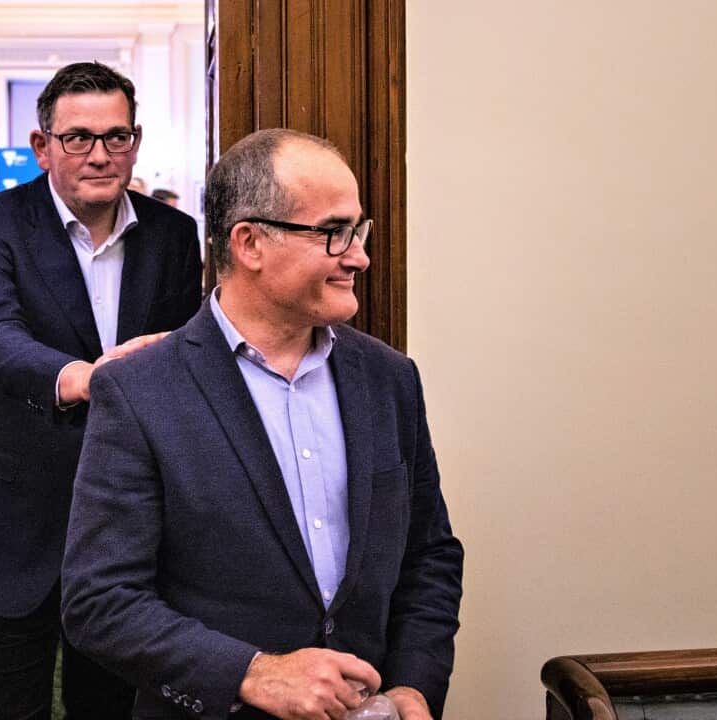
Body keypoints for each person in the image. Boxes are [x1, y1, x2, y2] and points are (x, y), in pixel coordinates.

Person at [61, 129, 464, 720]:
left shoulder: (389, 378)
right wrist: (253, 674)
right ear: (249, 242)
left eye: (358, 231)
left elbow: (429, 554)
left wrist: (413, 686)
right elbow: (99, 601)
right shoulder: (141, 390)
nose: (359, 256)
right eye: (334, 233)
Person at [0, 61, 203, 719]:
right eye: (77, 138)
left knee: (111, 709)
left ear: (135, 141)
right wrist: (86, 378)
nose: (99, 155)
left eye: (116, 137)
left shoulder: (173, 235)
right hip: (11, 517)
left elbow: (184, 354)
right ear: (42, 146)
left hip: (130, 526)